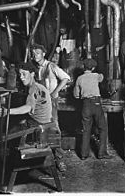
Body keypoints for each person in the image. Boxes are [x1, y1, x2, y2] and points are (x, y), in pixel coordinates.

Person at [31, 43, 71, 172]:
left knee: (54, 128)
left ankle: (59, 159)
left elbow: (66, 78)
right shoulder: (35, 68)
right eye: (33, 53)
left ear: (43, 54)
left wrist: (55, 92)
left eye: (37, 53)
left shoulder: (51, 66)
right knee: (41, 128)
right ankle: (44, 160)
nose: (35, 55)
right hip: (40, 102)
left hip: (51, 102)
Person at [73, 58, 112, 160]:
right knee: (102, 128)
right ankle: (101, 153)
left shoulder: (79, 78)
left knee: (86, 130)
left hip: (85, 105)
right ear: (93, 68)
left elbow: (76, 95)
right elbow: (102, 77)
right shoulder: (96, 76)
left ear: (83, 67)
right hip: (96, 103)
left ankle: (83, 154)